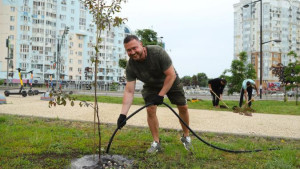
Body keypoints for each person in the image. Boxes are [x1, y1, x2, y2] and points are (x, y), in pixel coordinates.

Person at [117, 35, 192, 154]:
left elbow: (171, 75)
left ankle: (186, 136)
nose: (132, 52)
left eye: (134, 48)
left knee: (183, 107)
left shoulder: (157, 52)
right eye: (129, 50)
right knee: (150, 109)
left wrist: (161, 94)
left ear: (141, 44)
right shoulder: (131, 66)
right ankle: (156, 142)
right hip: (151, 84)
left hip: (170, 80)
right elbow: (129, 91)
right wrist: (123, 115)